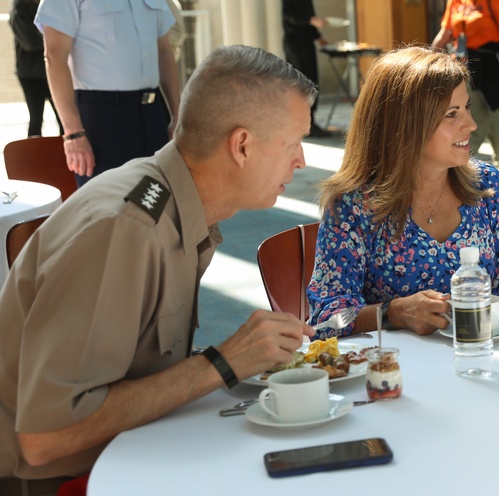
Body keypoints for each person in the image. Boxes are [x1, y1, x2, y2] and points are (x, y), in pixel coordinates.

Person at [0, 45, 318, 493]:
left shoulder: (171, 201)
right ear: (242, 145)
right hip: (57, 480)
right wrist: (224, 362)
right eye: (292, 143)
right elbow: (45, 438)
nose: (301, 160)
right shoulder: (127, 229)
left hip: (120, 453)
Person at [307, 46, 499, 338]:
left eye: (466, 108)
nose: (471, 124)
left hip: (479, 363)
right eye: (452, 114)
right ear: (405, 125)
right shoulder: (355, 203)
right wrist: (393, 313)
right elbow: (327, 317)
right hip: (396, 374)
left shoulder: (487, 187)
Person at [35, 0, 180, 186]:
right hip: (103, 118)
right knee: (109, 207)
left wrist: (177, 116)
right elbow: (54, 56)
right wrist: (73, 134)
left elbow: (164, 51)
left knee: (159, 201)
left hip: (153, 113)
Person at [431, 0, 499, 185]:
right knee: (487, 114)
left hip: (489, 68)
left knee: (476, 119)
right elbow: (444, 35)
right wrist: (427, 62)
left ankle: (460, 173)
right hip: (462, 66)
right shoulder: (454, 1)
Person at [9, 0, 61, 137]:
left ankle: (65, 156)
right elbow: (30, 41)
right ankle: (34, 157)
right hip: (30, 74)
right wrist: (57, 39)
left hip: (53, 70)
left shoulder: (52, 5)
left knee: (64, 120)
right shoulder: (19, 9)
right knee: (36, 120)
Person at [281, 0, 332, 137]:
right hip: (296, 43)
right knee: (302, 82)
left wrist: (318, 36)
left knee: (311, 80)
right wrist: (311, 20)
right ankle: (304, 124)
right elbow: (289, 15)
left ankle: (309, 121)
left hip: (306, 43)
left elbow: (309, 18)